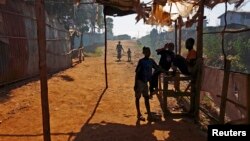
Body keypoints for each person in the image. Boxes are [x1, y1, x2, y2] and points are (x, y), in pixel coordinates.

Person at [134, 47, 158, 121]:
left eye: (149, 51)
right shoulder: (141, 61)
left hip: (145, 82)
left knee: (146, 98)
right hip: (140, 81)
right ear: (144, 53)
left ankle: (149, 114)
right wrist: (135, 84)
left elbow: (157, 68)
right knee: (138, 98)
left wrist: (163, 70)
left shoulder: (151, 61)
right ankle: (138, 114)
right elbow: (137, 73)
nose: (148, 53)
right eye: (147, 52)